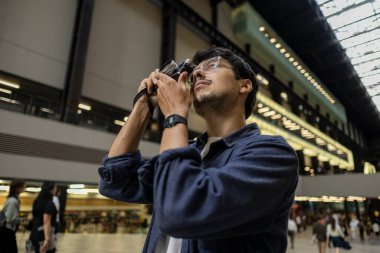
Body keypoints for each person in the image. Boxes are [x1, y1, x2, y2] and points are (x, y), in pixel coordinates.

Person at [98, 47, 299, 253]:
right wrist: (143, 106)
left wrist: (175, 114)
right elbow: (115, 181)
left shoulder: (272, 154)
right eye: (195, 72)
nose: (197, 73)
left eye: (213, 65)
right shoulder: (191, 152)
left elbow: (181, 210)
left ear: (245, 85)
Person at [30, 182, 58, 253]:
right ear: (50, 190)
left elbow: (32, 216)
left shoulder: (37, 201)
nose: (56, 190)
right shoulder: (49, 204)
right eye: (55, 188)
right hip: (43, 234)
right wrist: (47, 239)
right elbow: (46, 221)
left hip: (35, 232)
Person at [1, 179, 26, 253]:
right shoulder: (13, 201)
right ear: (18, 188)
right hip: (7, 232)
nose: (25, 188)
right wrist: (21, 220)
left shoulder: (12, 199)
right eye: (23, 187)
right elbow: (9, 219)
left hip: (7, 231)